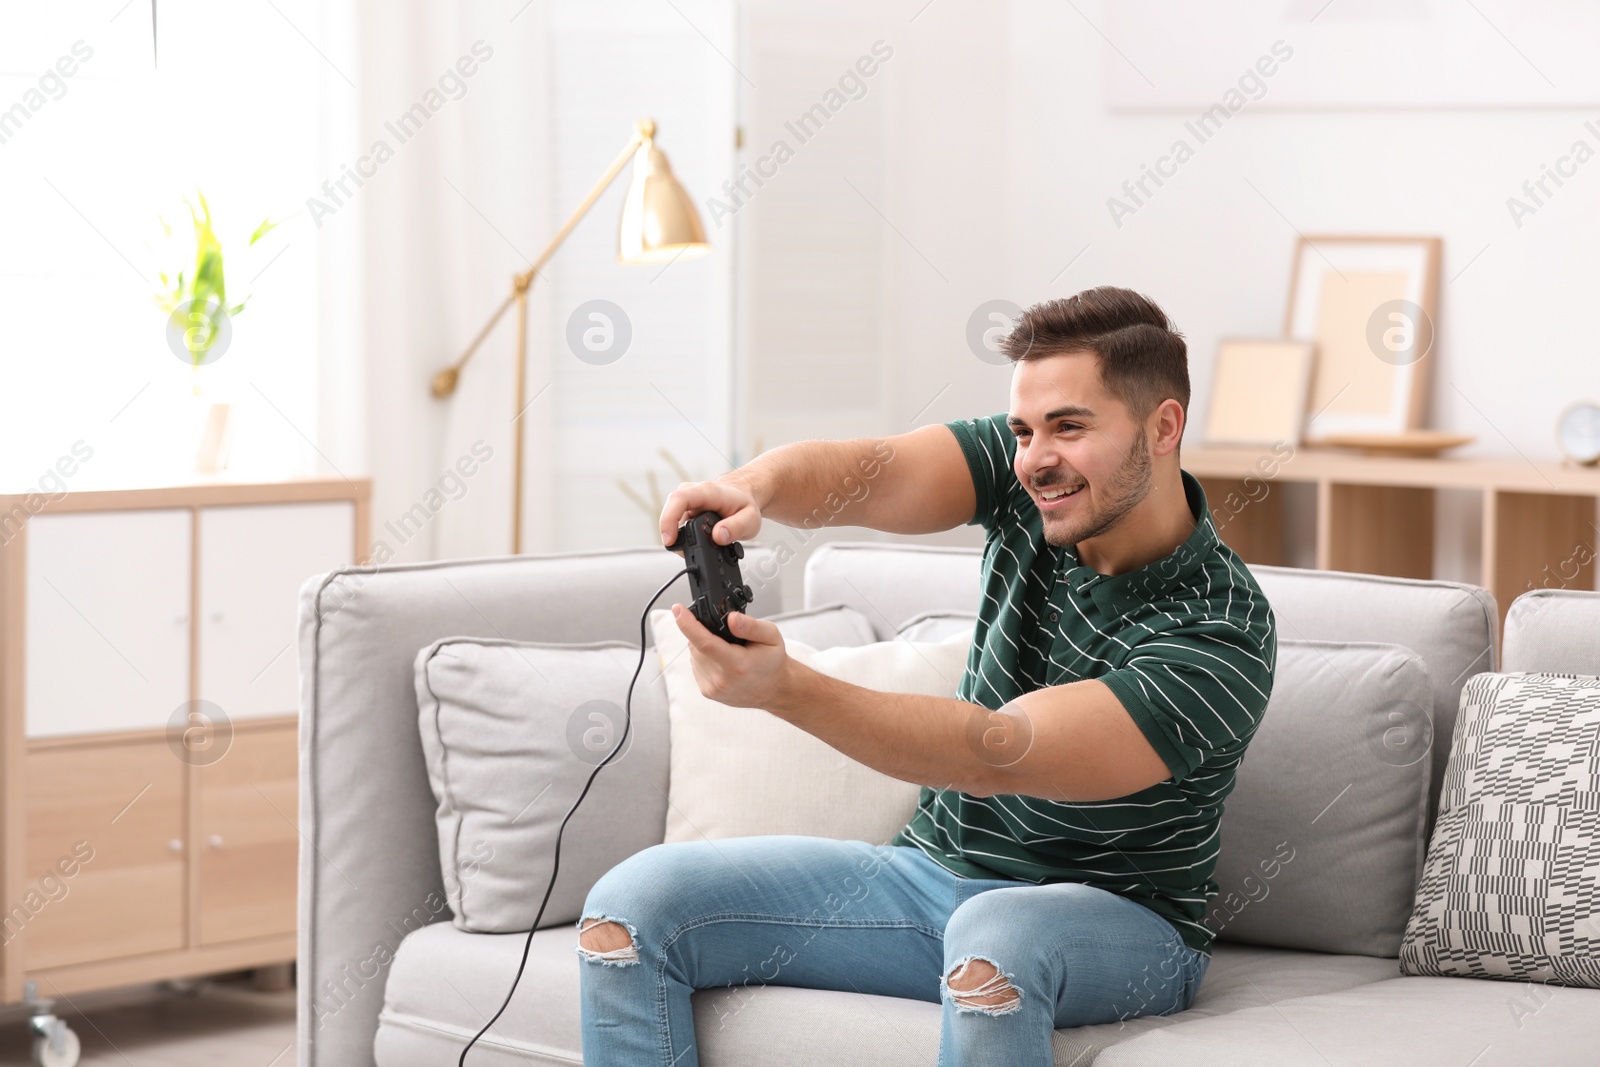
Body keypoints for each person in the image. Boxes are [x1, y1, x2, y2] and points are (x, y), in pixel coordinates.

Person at [573, 285, 1277, 1067]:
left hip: (1123, 925)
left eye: (1070, 427)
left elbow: (997, 750)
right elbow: (874, 473)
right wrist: (755, 487)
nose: (1038, 458)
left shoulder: (1220, 627)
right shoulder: (1031, 482)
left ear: (1164, 426)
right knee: (630, 911)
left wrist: (785, 688)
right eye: (1023, 430)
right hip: (929, 877)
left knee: (995, 937)